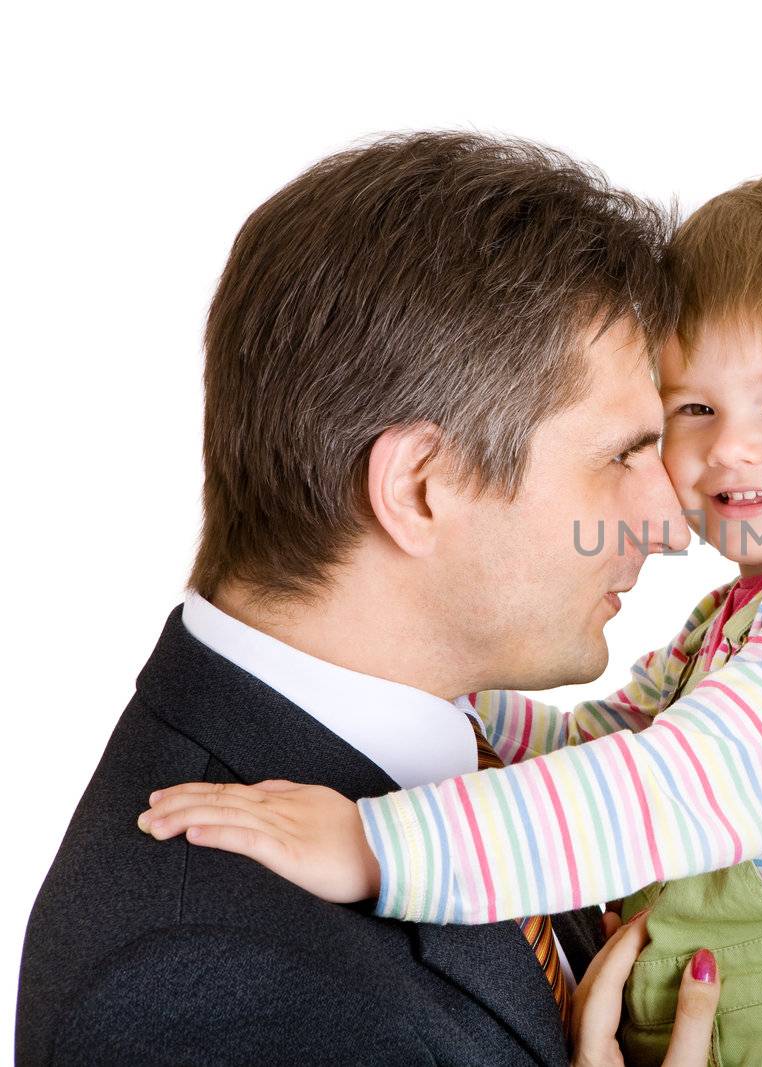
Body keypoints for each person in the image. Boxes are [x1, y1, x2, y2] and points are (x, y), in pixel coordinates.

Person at [139, 172, 762, 1067]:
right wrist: (445, 695)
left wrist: (376, 844)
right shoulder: (759, 611)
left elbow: (653, 789)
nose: (726, 450)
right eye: (689, 411)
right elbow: (612, 740)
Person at [16, 132, 718, 1065]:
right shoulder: (208, 984)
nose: (674, 521)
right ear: (420, 486)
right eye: (621, 455)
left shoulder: (471, 767)